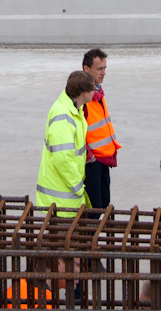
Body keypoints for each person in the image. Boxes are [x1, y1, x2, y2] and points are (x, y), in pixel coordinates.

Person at [36, 71, 96, 215]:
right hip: (61, 202)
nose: (96, 92)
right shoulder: (63, 116)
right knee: (65, 237)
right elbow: (62, 158)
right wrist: (77, 186)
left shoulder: (75, 110)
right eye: (95, 88)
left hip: (66, 199)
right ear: (85, 93)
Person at [81, 48, 121, 210]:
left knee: (103, 203)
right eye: (99, 69)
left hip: (103, 158)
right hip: (92, 162)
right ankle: (89, 234)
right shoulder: (83, 96)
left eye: (105, 68)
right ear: (86, 69)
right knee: (94, 208)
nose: (103, 73)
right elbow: (76, 131)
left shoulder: (97, 92)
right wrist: (90, 157)